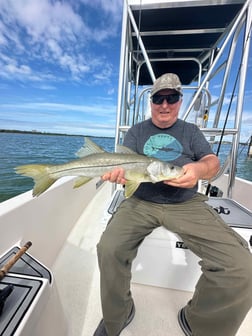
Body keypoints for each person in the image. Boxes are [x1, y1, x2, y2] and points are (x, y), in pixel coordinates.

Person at [94, 73, 252, 336]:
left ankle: (200, 322)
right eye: (158, 98)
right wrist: (118, 175)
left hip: (186, 203)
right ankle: (118, 315)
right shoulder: (136, 131)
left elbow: (212, 162)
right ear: (151, 101)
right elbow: (124, 168)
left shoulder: (190, 131)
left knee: (241, 266)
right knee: (108, 249)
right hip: (140, 202)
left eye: (172, 98)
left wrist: (198, 169)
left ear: (180, 100)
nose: (164, 105)